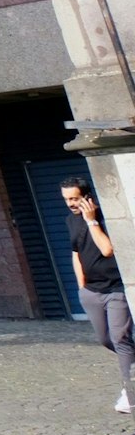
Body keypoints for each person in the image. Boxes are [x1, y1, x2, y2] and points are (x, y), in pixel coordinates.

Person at [61, 176, 134, 414]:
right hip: (92, 291)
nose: (71, 203)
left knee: (121, 338)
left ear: (87, 196)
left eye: (74, 198)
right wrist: (81, 287)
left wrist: (92, 221)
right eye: (66, 199)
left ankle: (129, 393)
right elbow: (75, 253)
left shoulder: (103, 217)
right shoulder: (70, 220)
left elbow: (107, 249)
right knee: (106, 339)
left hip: (115, 289)